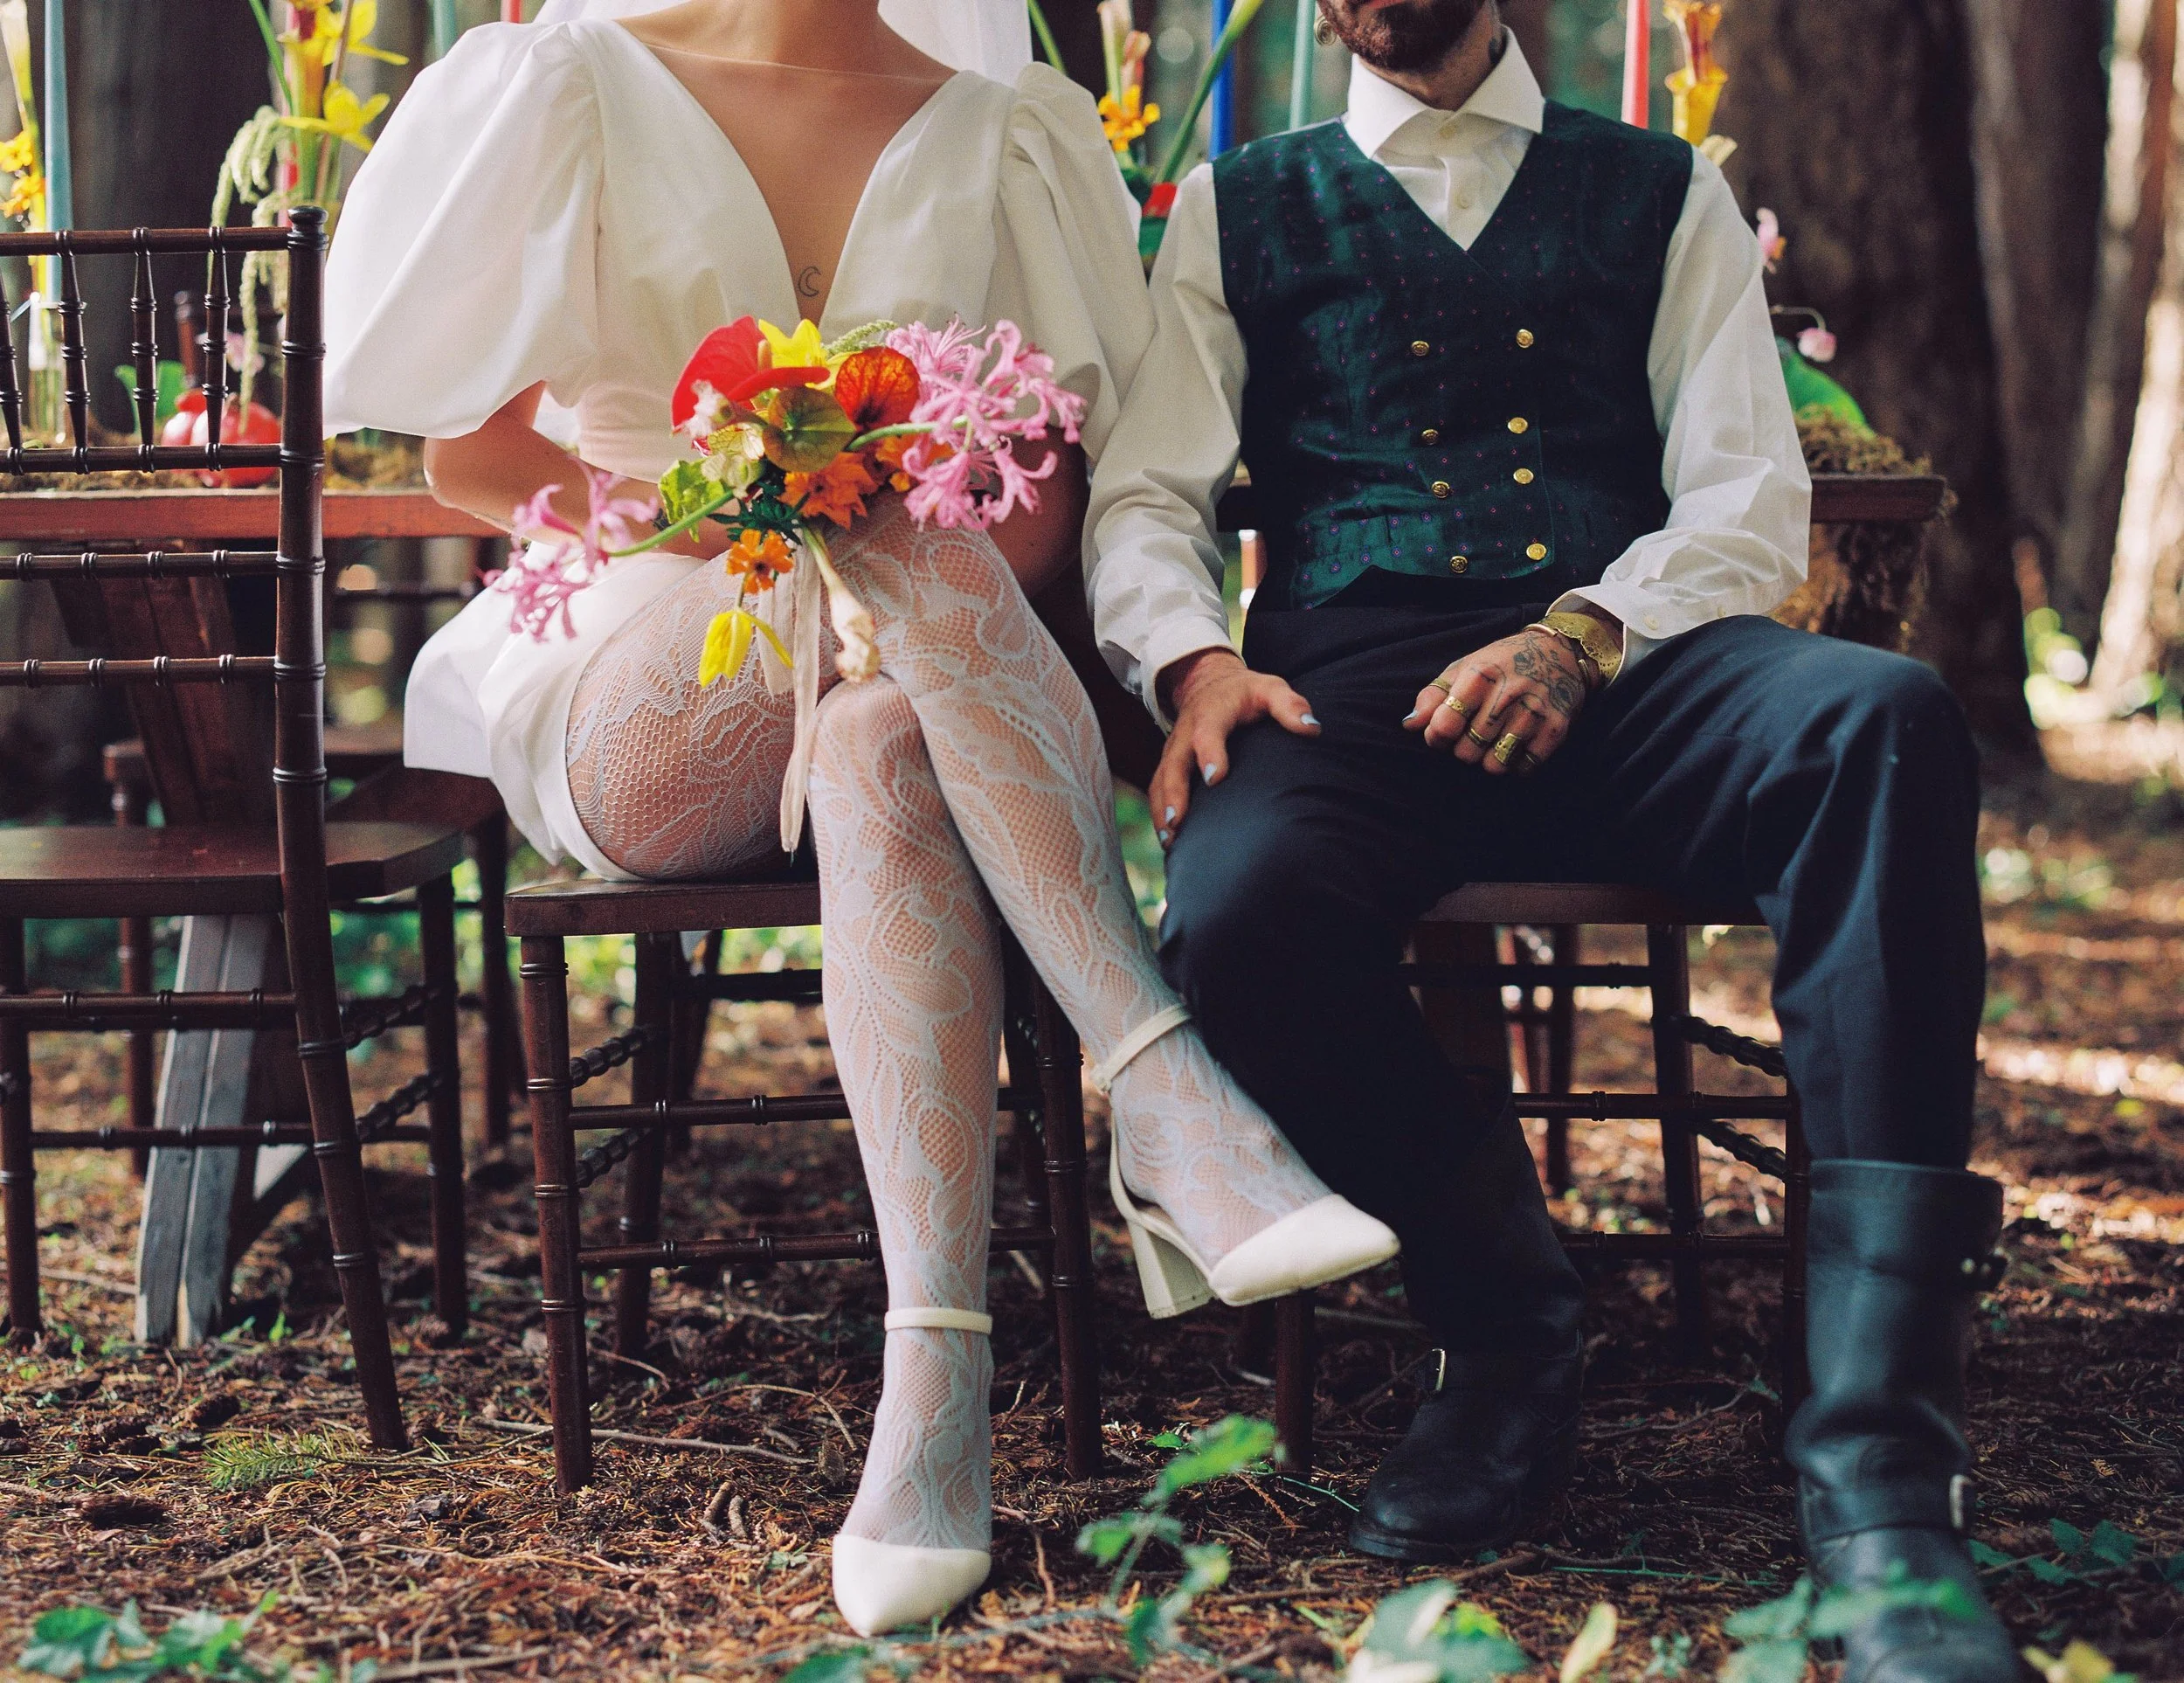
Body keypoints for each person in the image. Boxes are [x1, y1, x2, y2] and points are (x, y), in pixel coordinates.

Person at [322, 0, 1398, 1638]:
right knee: (863, 519)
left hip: (906, 671)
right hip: (643, 652)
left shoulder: (1007, 125)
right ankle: (1166, 1089)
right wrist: (757, 503)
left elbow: (1041, 497)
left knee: (891, 727)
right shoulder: (570, 80)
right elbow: (470, 455)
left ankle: (934, 1402)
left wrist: (877, 511)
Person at [1085, 2, 2015, 1678]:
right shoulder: (1242, 203)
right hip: (1353, 686)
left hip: (1629, 661)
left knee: (1883, 722)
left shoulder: (1662, 193)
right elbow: (1149, 486)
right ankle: (1507, 1330)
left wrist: (1581, 638)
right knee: (1237, 906)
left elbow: (1745, 496)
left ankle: (1883, 1473)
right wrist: (1193, 655)